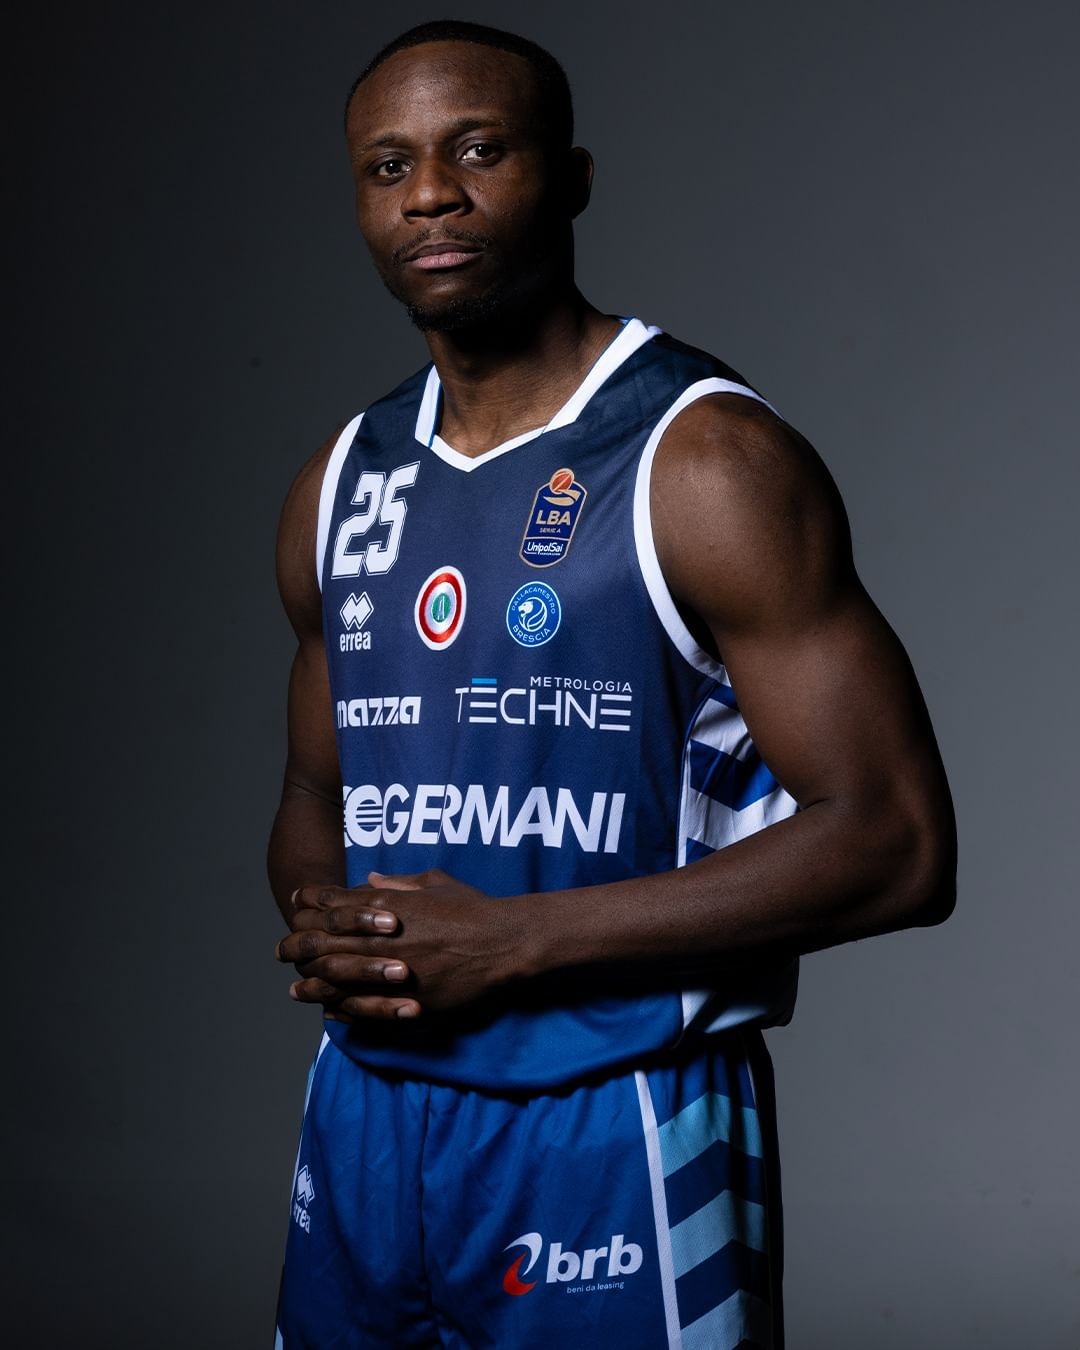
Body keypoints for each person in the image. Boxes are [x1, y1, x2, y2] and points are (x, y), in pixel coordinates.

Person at [268, 19, 956, 1349]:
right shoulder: (339, 484)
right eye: (389, 166)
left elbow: (899, 842)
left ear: (572, 178)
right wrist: (341, 936)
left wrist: (515, 942)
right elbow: (312, 796)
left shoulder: (704, 461)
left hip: (618, 1114)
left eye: (480, 151)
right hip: (364, 1117)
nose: (431, 195)